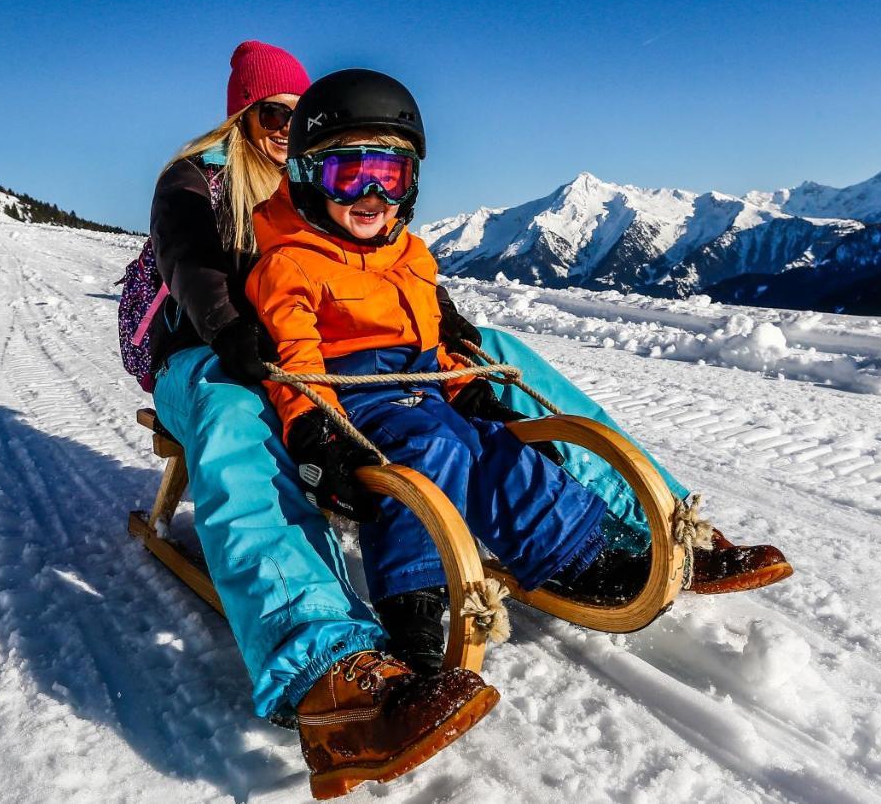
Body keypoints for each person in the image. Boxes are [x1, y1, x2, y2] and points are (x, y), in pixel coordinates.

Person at [148, 42, 497, 799]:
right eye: (275, 115)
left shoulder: (332, 178)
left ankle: (634, 521)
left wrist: (450, 325)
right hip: (204, 353)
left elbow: (393, 272)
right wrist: (232, 330)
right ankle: (326, 671)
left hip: (301, 351)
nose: (288, 129)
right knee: (234, 405)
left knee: (489, 350)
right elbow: (192, 266)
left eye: (301, 118)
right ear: (245, 117)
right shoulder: (198, 182)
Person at [246, 69, 658, 675]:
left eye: (388, 175)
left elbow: (433, 344)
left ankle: (579, 550)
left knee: (499, 448)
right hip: (354, 399)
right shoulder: (289, 263)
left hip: (422, 387)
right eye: (347, 173)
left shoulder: (409, 252)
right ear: (309, 176)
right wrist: (314, 431)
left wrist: (470, 393)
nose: (370, 194)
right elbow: (294, 361)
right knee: (433, 451)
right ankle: (414, 602)